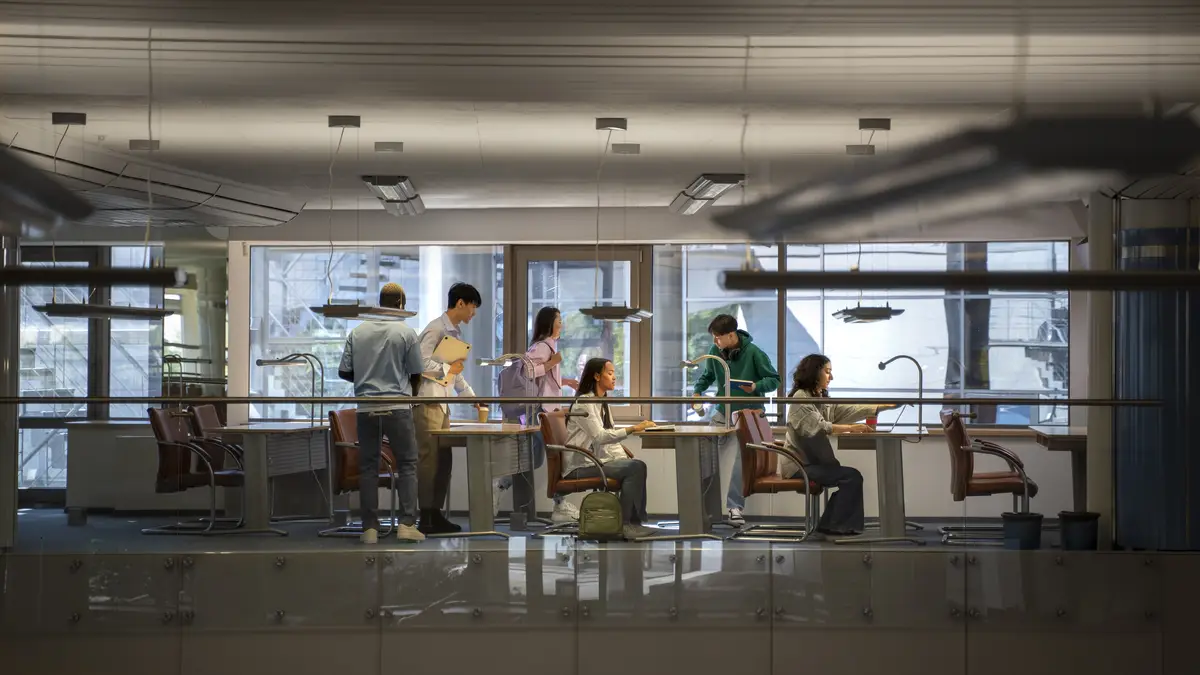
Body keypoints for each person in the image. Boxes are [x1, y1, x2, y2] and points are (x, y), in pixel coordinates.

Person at [337, 283, 425, 544]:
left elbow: (343, 371)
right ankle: (407, 524)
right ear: (400, 302)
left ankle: (370, 529)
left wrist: (365, 377)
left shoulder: (358, 332)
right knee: (407, 463)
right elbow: (416, 373)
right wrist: (412, 394)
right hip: (397, 407)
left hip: (366, 409)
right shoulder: (406, 333)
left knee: (368, 468)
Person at [780, 353, 897, 536]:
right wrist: (851, 428)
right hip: (799, 466)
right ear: (815, 373)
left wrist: (881, 406)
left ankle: (831, 524)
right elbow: (817, 427)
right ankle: (836, 525)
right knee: (851, 476)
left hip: (811, 464)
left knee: (850, 476)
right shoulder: (800, 398)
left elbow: (844, 410)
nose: (831, 377)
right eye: (828, 372)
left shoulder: (818, 398)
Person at [689, 314, 780, 527]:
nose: (715, 342)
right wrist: (697, 392)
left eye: (718, 337)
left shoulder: (755, 353)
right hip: (723, 412)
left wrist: (756, 387)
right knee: (706, 456)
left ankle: (734, 508)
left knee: (741, 461)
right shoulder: (715, 353)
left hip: (749, 415)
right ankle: (703, 509)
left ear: (732, 335)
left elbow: (775, 380)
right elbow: (707, 376)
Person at [499, 306, 582, 524]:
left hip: (548, 410)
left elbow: (543, 380)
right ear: (549, 324)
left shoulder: (548, 346)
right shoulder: (543, 347)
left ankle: (558, 503)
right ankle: (504, 486)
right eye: (559, 321)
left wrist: (564, 381)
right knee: (543, 458)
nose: (561, 325)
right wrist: (551, 364)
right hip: (542, 411)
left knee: (542, 458)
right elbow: (527, 371)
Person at [414, 282, 485, 535]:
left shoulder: (455, 334)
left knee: (444, 461)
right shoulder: (434, 329)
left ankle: (436, 513)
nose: (473, 313)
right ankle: (425, 516)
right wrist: (448, 370)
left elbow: (457, 375)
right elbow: (419, 364)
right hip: (428, 402)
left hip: (443, 404)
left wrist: (472, 397)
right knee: (428, 462)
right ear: (460, 303)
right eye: (472, 307)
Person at [564, 357, 659, 540]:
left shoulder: (601, 402)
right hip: (580, 465)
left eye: (614, 373)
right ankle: (625, 525)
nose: (614, 377)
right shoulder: (585, 403)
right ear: (597, 376)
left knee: (636, 466)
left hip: (594, 460)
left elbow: (609, 438)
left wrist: (624, 458)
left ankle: (634, 523)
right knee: (635, 468)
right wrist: (632, 429)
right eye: (610, 373)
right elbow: (600, 438)